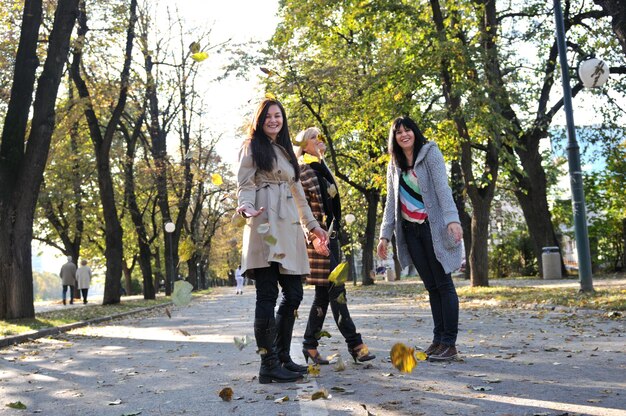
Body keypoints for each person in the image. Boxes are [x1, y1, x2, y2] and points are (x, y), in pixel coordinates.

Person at [236, 97, 328, 384]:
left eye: (278, 116)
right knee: (267, 295)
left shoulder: (287, 151)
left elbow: (298, 193)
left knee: (294, 294)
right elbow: (245, 184)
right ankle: (268, 364)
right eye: (268, 116)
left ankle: (283, 357)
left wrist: (313, 226)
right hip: (264, 222)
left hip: (288, 226)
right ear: (259, 120)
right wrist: (246, 207)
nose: (273, 120)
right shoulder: (252, 146)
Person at [377, 116, 463, 362]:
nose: (404, 135)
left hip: (432, 228)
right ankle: (438, 340)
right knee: (431, 286)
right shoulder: (394, 164)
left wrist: (452, 219)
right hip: (410, 232)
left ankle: (450, 343)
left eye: (408, 130)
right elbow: (391, 202)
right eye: (399, 132)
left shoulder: (430, 154)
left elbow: (443, 189)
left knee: (444, 284)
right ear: (394, 138)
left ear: (415, 132)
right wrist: (384, 235)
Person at [295, 127, 376, 365]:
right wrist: (314, 236)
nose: (319, 140)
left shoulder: (321, 168)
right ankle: (356, 344)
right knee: (336, 292)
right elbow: (303, 210)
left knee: (324, 294)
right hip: (318, 238)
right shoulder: (302, 170)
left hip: (331, 236)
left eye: (319, 137)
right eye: (313, 137)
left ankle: (309, 345)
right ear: (303, 146)